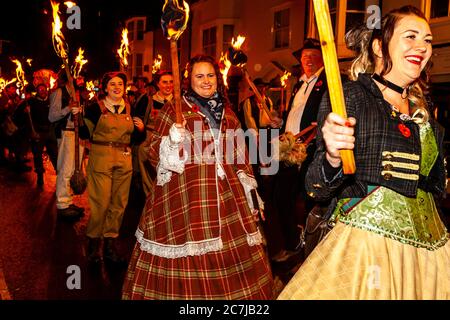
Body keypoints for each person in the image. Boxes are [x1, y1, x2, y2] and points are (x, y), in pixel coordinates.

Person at [279, 5, 449, 300]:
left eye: (427, 40)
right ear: (379, 47)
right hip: (369, 251)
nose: (421, 47)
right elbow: (314, 187)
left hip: (430, 256)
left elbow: (435, 188)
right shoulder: (352, 96)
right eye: (410, 36)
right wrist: (333, 155)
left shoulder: (425, 113)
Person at [122, 54, 273, 299]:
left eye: (210, 75)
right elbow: (153, 153)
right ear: (188, 80)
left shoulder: (229, 112)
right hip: (185, 199)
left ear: (218, 78)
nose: (206, 81)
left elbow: (240, 157)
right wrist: (172, 140)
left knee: (234, 265)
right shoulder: (175, 109)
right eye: (199, 76)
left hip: (228, 199)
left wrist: (251, 193)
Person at [270, 38, 328, 262]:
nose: (309, 61)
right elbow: (296, 115)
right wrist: (280, 122)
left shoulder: (330, 82)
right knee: (280, 198)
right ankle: (293, 243)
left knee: (312, 202)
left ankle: (312, 255)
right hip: (289, 149)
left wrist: (320, 123)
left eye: (313, 57)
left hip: (311, 150)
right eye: (305, 58)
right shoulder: (298, 85)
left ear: (322, 59)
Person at [78, 71, 145, 265]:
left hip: (124, 160)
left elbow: (136, 140)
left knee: (119, 205)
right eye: (113, 84)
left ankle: (109, 247)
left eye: (120, 84)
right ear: (105, 88)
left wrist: (140, 129)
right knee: (101, 204)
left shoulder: (130, 108)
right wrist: (78, 117)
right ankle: (93, 244)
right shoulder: (94, 108)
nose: (117, 87)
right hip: (101, 159)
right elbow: (84, 133)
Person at [48, 71, 85, 219]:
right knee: (65, 169)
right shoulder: (59, 92)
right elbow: (52, 116)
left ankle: (68, 200)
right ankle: (62, 204)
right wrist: (68, 108)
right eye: (76, 76)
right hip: (67, 133)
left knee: (73, 170)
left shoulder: (78, 93)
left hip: (78, 134)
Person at [138, 70, 174, 196]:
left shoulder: (179, 102)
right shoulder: (147, 101)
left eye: (171, 82)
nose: (168, 85)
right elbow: (137, 120)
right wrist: (141, 127)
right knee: (149, 181)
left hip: (171, 147)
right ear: (158, 84)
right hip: (150, 144)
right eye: (164, 82)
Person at [29, 83, 58, 186]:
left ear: (46, 90)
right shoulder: (32, 101)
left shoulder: (51, 100)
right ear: (37, 91)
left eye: (44, 89)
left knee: (55, 154)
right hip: (38, 133)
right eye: (40, 90)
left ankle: (59, 174)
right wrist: (26, 110)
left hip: (50, 131)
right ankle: (40, 176)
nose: (42, 91)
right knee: (37, 155)